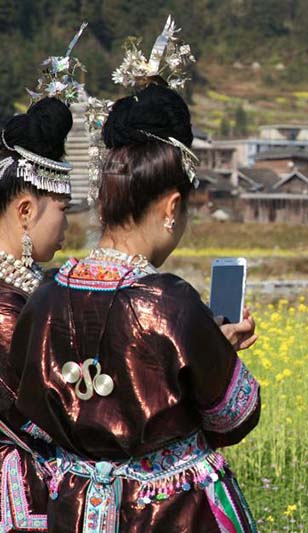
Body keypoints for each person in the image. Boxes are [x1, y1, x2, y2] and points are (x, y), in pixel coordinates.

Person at [10, 80, 261, 532]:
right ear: (172, 206)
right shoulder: (170, 302)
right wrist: (219, 351)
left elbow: (35, 410)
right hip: (167, 513)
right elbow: (234, 415)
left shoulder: (45, 295)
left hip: (75, 508)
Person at [0, 25, 87, 531]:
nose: (67, 224)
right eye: (63, 209)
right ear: (28, 210)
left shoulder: (34, 288)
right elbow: (64, 405)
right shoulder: (8, 307)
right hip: (19, 494)